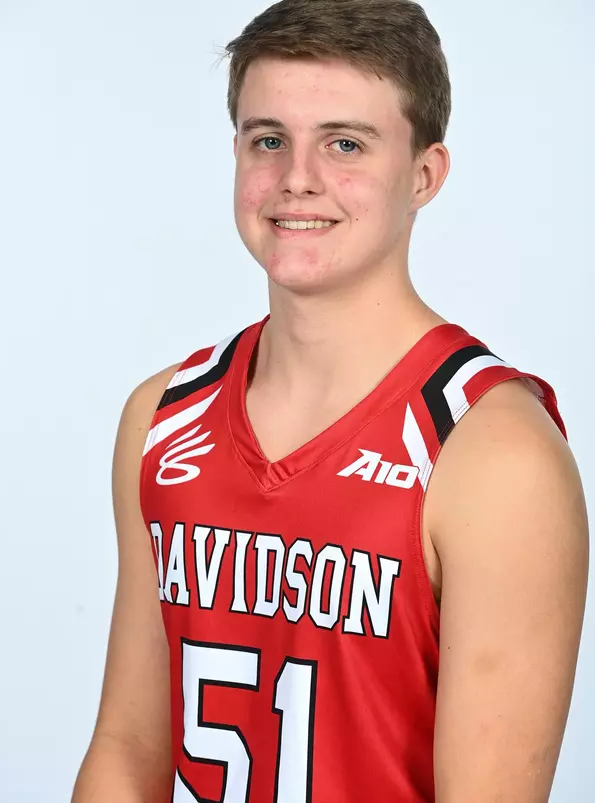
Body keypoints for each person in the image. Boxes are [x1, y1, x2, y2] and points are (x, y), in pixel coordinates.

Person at [72, 1, 589, 801]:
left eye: (344, 143)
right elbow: (129, 746)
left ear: (423, 175)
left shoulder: (493, 456)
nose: (297, 178)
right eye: (267, 140)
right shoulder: (163, 417)